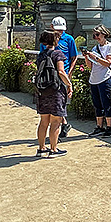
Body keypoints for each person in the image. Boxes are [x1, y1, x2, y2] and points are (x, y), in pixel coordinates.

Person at [34, 29, 72, 158]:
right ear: (55, 40)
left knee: (44, 121)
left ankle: (41, 148)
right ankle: (53, 149)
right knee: (56, 121)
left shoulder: (41, 55)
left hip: (42, 91)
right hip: (55, 91)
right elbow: (61, 72)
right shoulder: (58, 54)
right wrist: (69, 85)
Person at [83, 25, 111, 137]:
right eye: (94, 35)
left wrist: (95, 57)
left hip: (105, 78)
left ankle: (109, 127)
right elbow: (90, 66)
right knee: (97, 104)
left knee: (106, 103)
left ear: (104, 34)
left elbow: (108, 62)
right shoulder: (95, 49)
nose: (96, 37)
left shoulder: (110, 47)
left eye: (97, 35)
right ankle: (99, 126)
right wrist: (87, 57)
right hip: (94, 79)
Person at [51, 16, 79, 139]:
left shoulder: (69, 39)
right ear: (52, 27)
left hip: (64, 74)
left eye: (61, 30)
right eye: (58, 30)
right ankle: (64, 124)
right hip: (51, 75)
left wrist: (69, 73)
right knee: (56, 102)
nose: (60, 32)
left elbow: (74, 57)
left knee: (61, 102)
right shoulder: (48, 39)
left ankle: (63, 125)